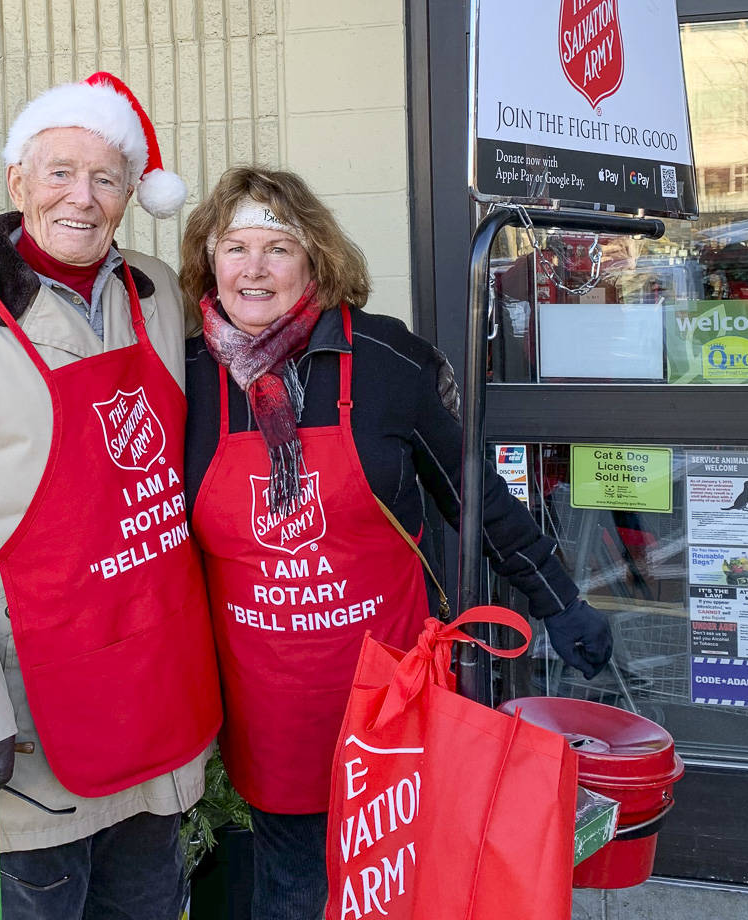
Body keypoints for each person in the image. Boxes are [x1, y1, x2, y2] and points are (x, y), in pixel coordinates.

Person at [180, 166, 613, 920]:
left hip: (394, 694)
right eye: (235, 247)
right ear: (208, 260)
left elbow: (472, 500)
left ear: (315, 257)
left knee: (401, 881)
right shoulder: (185, 380)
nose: (254, 270)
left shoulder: (387, 362)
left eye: (277, 248)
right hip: (267, 704)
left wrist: (559, 599)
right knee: (293, 887)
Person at [0, 72, 221, 920]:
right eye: (59, 172)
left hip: (153, 686)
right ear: (17, 181)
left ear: (132, 192)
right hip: (30, 717)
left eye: (104, 178)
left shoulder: (158, 294)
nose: (82, 199)